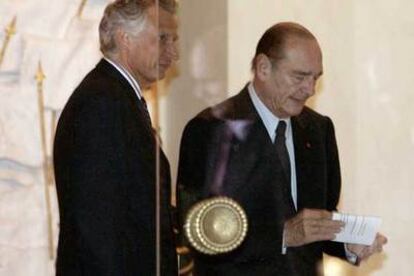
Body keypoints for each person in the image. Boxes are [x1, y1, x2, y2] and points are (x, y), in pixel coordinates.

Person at [177, 22, 387, 275]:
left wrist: (348, 244)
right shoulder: (210, 130)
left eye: (316, 78)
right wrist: (282, 235)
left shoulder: (319, 129)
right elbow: (197, 232)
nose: (309, 89)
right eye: (300, 77)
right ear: (263, 68)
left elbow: (319, 219)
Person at [53, 0, 179, 275]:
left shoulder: (116, 96)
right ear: (125, 39)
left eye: (174, 40)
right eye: (162, 38)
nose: (174, 52)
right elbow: (97, 225)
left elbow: (134, 204)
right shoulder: (103, 103)